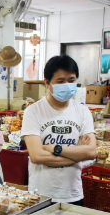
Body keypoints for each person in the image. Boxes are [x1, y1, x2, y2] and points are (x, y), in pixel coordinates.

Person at [21, 55, 96, 205]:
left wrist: (55, 148)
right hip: (41, 195)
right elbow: (37, 156)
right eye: (61, 81)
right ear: (47, 83)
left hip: (73, 194)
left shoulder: (83, 112)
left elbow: (91, 152)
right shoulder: (33, 111)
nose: (67, 85)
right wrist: (76, 155)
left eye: (72, 80)